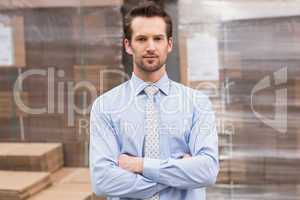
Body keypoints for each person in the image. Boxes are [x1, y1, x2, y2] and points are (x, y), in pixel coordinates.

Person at [89, 1, 219, 200]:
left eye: (157, 38)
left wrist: (140, 165)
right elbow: (102, 181)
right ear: (128, 45)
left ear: (169, 44)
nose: (150, 47)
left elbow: (207, 171)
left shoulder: (197, 104)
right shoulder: (105, 107)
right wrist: (179, 175)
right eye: (141, 39)